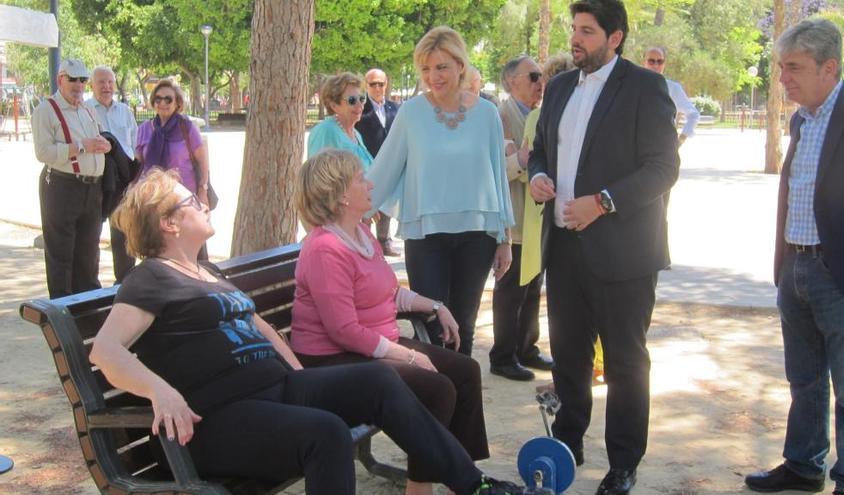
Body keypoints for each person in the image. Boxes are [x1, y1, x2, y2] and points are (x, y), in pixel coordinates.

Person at [88, 168, 524, 495]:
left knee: (377, 377)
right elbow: (105, 351)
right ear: (168, 223)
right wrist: (161, 392)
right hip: (217, 418)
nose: (203, 201)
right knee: (326, 433)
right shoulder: (150, 278)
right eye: (191, 200)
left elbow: (261, 327)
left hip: (275, 388)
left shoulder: (206, 271)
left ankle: (476, 486)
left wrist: (303, 376)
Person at [528, 1, 679, 493]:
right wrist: (539, 176)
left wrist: (605, 202)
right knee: (569, 356)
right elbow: (542, 150)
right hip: (565, 251)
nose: (576, 38)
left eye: (587, 31)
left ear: (615, 38)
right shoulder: (561, 87)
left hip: (625, 254)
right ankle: (568, 442)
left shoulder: (646, 88)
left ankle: (624, 464)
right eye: (574, 29)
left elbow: (662, 168)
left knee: (624, 362)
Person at [290, 149, 491, 495]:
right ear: (339, 195)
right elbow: (343, 330)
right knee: (436, 387)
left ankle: (464, 475)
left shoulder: (362, 234)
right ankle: (421, 487)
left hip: (372, 344)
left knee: (465, 370)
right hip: (331, 359)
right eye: (359, 179)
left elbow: (388, 293)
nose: (370, 184)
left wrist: (436, 305)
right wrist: (407, 355)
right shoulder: (325, 249)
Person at [744, 19, 844, 495]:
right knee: (804, 380)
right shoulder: (802, 119)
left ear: (829, 67)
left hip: (842, 275)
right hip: (794, 271)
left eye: (794, 68)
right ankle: (803, 466)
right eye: (781, 68)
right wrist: (784, 265)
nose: (783, 79)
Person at [367, 26, 515, 357]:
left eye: (442, 67)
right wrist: (349, 213)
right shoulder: (411, 113)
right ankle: (435, 404)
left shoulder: (488, 114)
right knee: (431, 327)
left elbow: (497, 176)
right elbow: (384, 169)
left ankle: (461, 404)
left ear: (461, 65)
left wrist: (504, 238)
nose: (433, 76)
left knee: (463, 325)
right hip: (425, 236)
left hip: (478, 237)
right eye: (426, 68)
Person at [489, 55, 552, 382]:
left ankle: (526, 348)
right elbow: (503, 166)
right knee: (511, 290)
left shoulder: (540, 115)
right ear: (512, 81)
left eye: (541, 76)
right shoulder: (500, 115)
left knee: (532, 287)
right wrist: (525, 159)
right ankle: (502, 355)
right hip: (512, 219)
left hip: (537, 219)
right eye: (533, 76)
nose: (540, 83)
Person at [32, 59, 111, 299]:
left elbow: (95, 140)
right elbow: (43, 153)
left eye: (83, 80)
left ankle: (86, 311)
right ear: (60, 80)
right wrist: (81, 147)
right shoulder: (46, 110)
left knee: (88, 254)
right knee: (61, 255)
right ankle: (62, 313)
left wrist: (105, 145)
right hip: (62, 186)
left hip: (91, 189)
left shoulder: (87, 109)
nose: (78, 85)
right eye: (72, 79)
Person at [87, 65, 138, 283]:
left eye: (110, 82)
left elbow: (135, 144)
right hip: (97, 179)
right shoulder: (85, 109)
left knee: (123, 233)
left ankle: (124, 282)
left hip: (123, 180)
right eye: (101, 82)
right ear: (92, 85)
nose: (106, 86)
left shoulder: (125, 111)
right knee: (91, 235)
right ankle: (90, 285)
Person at [136, 79, 210, 207]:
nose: (162, 103)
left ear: (177, 103)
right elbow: (139, 165)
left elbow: (203, 162)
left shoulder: (187, 128)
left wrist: (203, 189)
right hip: (153, 199)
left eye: (168, 99)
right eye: (158, 99)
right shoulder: (144, 129)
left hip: (184, 198)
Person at [355, 68, 400, 256]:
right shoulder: (360, 107)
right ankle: (365, 242)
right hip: (368, 165)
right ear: (367, 85)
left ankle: (384, 240)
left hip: (390, 165)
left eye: (381, 84)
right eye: (373, 84)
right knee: (366, 206)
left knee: (386, 205)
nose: (377, 88)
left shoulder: (395, 108)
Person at [307, 72, 374, 169]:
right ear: (334, 105)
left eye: (362, 99)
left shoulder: (356, 134)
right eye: (352, 100)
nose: (360, 106)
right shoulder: (326, 131)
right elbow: (317, 178)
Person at [642, 46, 699, 147]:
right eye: (651, 61)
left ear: (664, 64)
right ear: (644, 62)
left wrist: (681, 140)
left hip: (664, 149)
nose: (656, 65)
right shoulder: (633, 86)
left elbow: (693, 115)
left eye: (660, 61)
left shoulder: (673, 88)